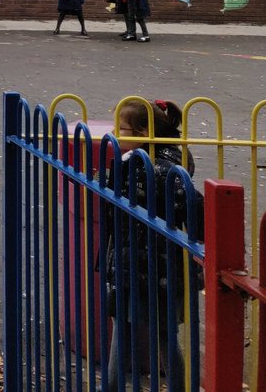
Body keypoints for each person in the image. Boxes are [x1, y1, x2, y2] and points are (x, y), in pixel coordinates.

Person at [105, 98, 199, 391]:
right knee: (162, 335)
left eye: (123, 129)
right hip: (160, 264)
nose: (116, 134)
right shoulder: (175, 160)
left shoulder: (143, 166)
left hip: (139, 261)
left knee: (128, 332)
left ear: (145, 132)